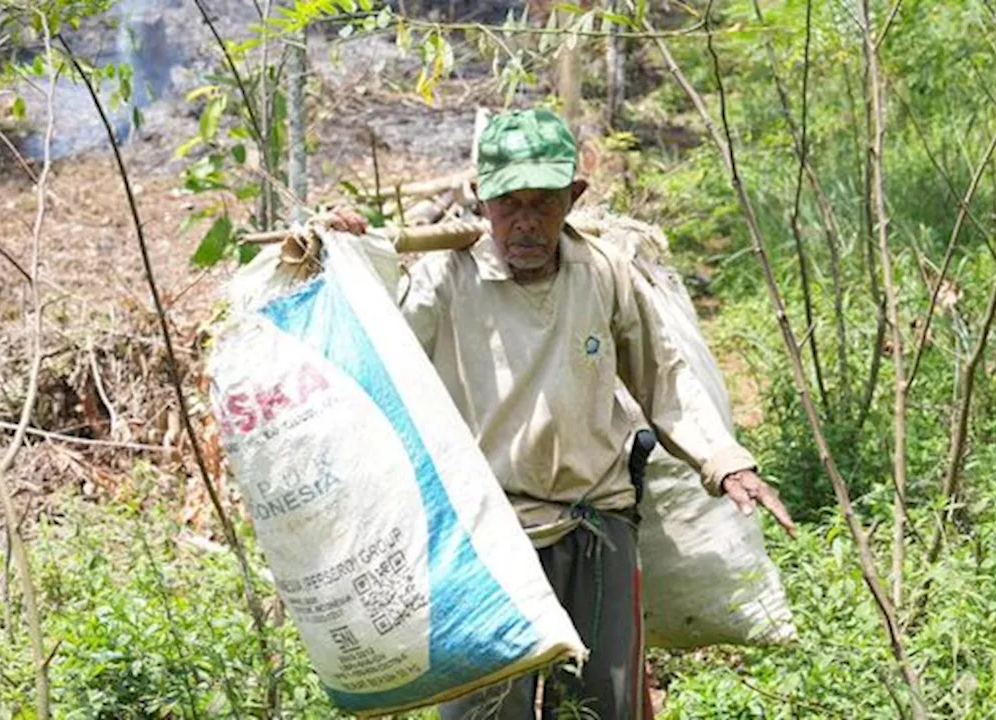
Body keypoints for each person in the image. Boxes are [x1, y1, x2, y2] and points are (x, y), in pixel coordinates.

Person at [334, 108, 794, 720]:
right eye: (509, 203)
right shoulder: (446, 280)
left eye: (544, 202)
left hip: (595, 524)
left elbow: (664, 378)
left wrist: (725, 462)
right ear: (482, 199)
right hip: (487, 535)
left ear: (573, 197)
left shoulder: (602, 273)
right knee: (487, 710)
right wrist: (350, 255)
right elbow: (376, 354)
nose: (526, 222)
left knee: (602, 708)